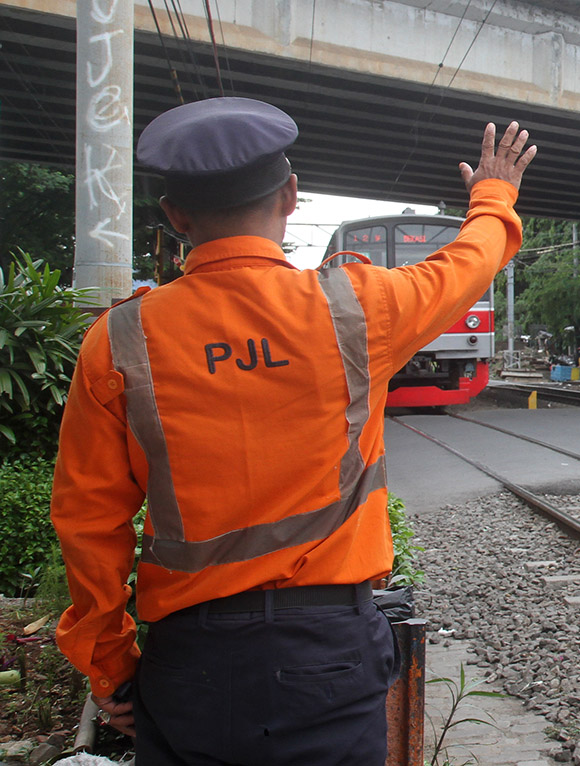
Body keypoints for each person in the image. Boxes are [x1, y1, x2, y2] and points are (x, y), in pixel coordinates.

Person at [50, 96, 536, 765]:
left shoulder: (120, 343)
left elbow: (87, 522)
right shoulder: (361, 309)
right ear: (291, 196)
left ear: (176, 216)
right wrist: (493, 195)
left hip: (191, 662)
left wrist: (111, 667)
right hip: (328, 656)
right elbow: (467, 265)